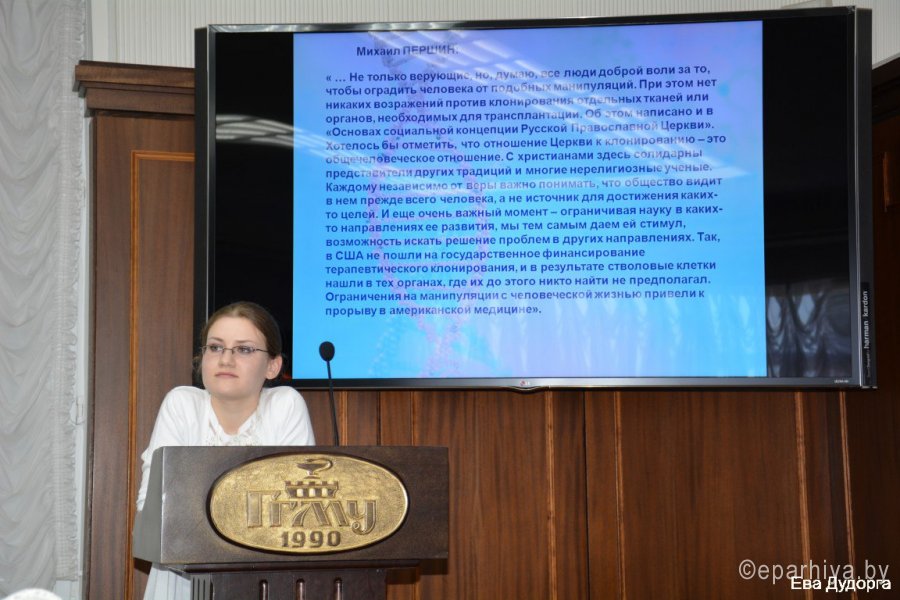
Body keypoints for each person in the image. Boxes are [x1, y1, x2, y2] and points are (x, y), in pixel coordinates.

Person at [134, 301, 315, 600]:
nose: (226, 359)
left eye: (243, 349)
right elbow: (154, 508)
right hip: (181, 577)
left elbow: (295, 511)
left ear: (273, 366)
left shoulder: (285, 405)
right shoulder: (182, 404)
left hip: (264, 578)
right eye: (216, 347)